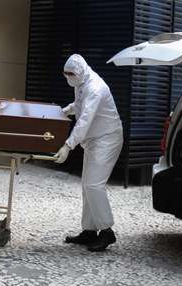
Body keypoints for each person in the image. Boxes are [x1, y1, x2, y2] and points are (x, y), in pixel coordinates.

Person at [54, 54, 124, 252]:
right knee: (87, 185)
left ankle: (107, 231)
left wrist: (68, 145)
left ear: (80, 71)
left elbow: (85, 119)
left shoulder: (96, 88)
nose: (69, 77)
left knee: (94, 185)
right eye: (66, 74)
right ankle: (89, 231)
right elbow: (79, 105)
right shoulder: (81, 81)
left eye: (71, 74)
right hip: (95, 139)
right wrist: (65, 111)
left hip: (107, 138)